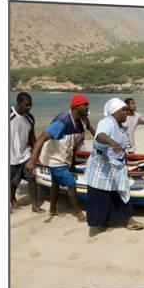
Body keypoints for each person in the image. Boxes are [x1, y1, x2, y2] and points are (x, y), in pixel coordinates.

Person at [26, 94, 94, 222]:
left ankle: (52, 209)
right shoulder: (62, 121)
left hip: (65, 156)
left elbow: (87, 132)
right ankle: (79, 213)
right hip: (54, 158)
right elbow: (41, 138)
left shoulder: (82, 120)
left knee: (55, 183)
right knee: (71, 183)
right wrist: (31, 160)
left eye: (87, 105)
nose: (87, 107)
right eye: (84, 105)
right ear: (75, 106)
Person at [84, 98, 144, 235]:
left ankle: (129, 220)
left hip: (117, 167)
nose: (126, 112)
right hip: (102, 167)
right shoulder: (107, 122)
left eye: (126, 110)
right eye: (123, 110)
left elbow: (121, 149)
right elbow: (100, 136)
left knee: (122, 192)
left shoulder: (120, 126)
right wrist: (111, 142)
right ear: (114, 112)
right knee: (101, 195)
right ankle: (101, 223)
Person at [10, 92, 43, 213]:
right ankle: (12, 200)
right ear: (19, 103)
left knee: (32, 178)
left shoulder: (30, 118)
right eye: (26, 105)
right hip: (11, 157)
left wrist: (37, 154)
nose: (29, 108)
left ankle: (35, 205)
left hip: (25, 154)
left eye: (30, 105)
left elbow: (32, 137)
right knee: (12, 182)